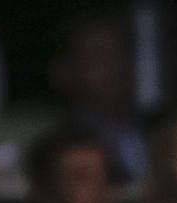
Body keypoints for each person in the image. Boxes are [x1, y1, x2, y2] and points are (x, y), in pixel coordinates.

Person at [48, 11, 146, 184]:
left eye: (119, 56)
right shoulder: (60, 143)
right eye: (98, 59)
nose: (115, 69)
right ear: (68, 71)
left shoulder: (157, 130)